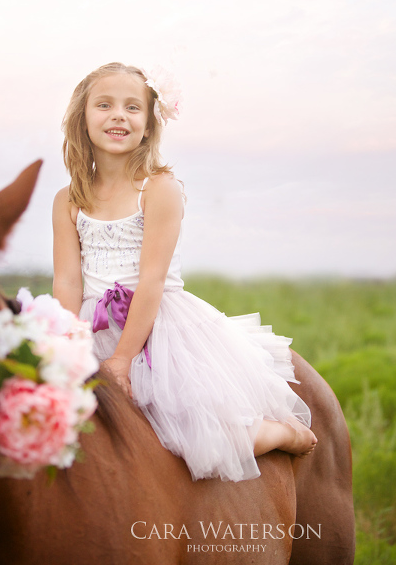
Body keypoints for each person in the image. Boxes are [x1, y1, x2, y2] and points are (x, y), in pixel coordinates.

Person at [52, 61, 317, 482]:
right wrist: (64, 343)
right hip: (93, 326)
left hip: (158, 327)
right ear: (82, 119)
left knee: (207, 441)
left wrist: (122, 360)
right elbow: (67, 280)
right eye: (104, 105)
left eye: (132, 107)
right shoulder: (69, 198)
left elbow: (152, 280)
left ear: (149, 124)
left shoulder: (158, 189)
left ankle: (279, 432)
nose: (119, 114)